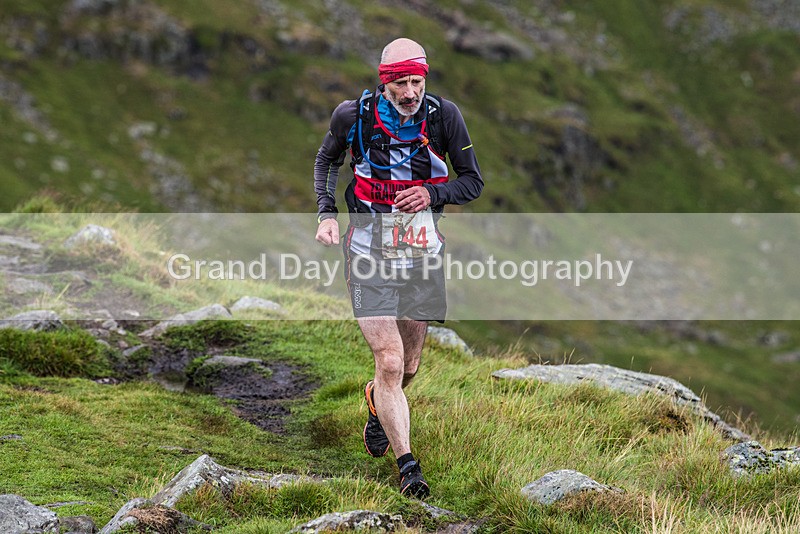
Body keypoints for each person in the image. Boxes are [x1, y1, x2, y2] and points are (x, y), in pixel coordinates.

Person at [313, 37, 483, 499]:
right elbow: (326, 161)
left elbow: (472, 182)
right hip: (367, 248)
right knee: (388, 359)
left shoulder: (444, 117)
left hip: (420, 250)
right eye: (401, 83)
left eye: (417, 81)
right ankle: (408, 467)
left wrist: (432, 194)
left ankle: (377, 402)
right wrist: (327, 213)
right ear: (384, 82)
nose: (411, 92)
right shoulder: (353, 116)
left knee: (407, 366)